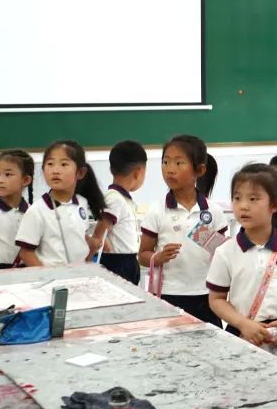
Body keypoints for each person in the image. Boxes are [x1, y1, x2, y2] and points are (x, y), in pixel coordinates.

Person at [207, 164, 277, 356]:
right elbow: (216, 299)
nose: (243, 205)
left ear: (274, 205)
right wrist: (243, 324)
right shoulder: (225, 251)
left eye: (253, 198)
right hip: (244, 333)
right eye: (237, 198)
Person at [138, 135, 227, 324]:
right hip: (168, 293)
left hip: (206, 294)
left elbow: (223, 255)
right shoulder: (157, 210)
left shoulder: (213, 211)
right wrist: (157, 257)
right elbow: (143, 254)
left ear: (200, 170)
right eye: (165, 162)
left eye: (179, 163)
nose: (170, 169)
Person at [15, 140, 105, 267]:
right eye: (50, 164)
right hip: (53, 283)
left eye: (63, 164)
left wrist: (89, 244)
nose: (55, 170)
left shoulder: (81, 203)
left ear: (80, 173)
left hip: (78, 276)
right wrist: (47, 278)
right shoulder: (37, 211)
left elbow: (74, 232)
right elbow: (25, 253)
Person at [91, 141, 148, 284]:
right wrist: (99, 243)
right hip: (118, 264)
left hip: (127, 261)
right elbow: (100, 233)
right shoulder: (114, 198)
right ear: (138, 172)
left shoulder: (122, 199)